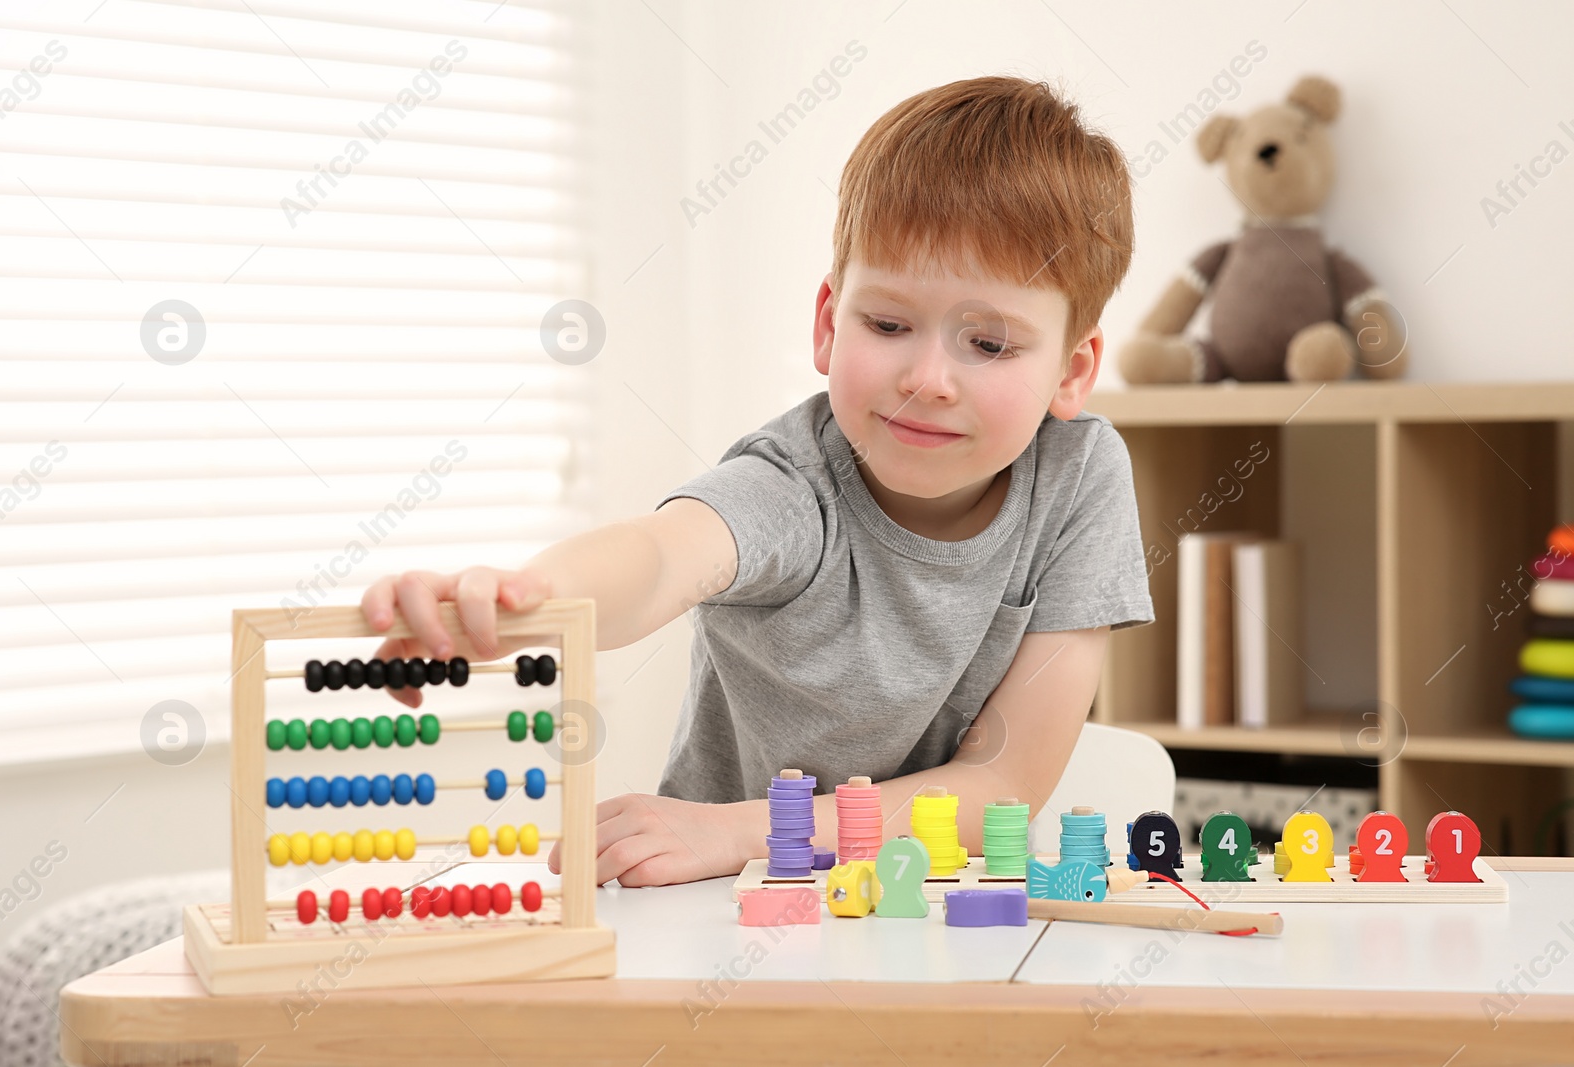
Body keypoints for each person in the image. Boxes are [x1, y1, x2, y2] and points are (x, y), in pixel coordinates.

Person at [360, 75, 1152, 887]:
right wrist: (522, 598)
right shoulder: (795, 482)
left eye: (988, 344)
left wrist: (745, 830)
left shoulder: (1078, 477)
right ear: (827, 322)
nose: (928, 378)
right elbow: (661, 557)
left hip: (914, 898)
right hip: (718, 901)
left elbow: (1001, 784)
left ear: (1072, 369)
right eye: (887, 324)